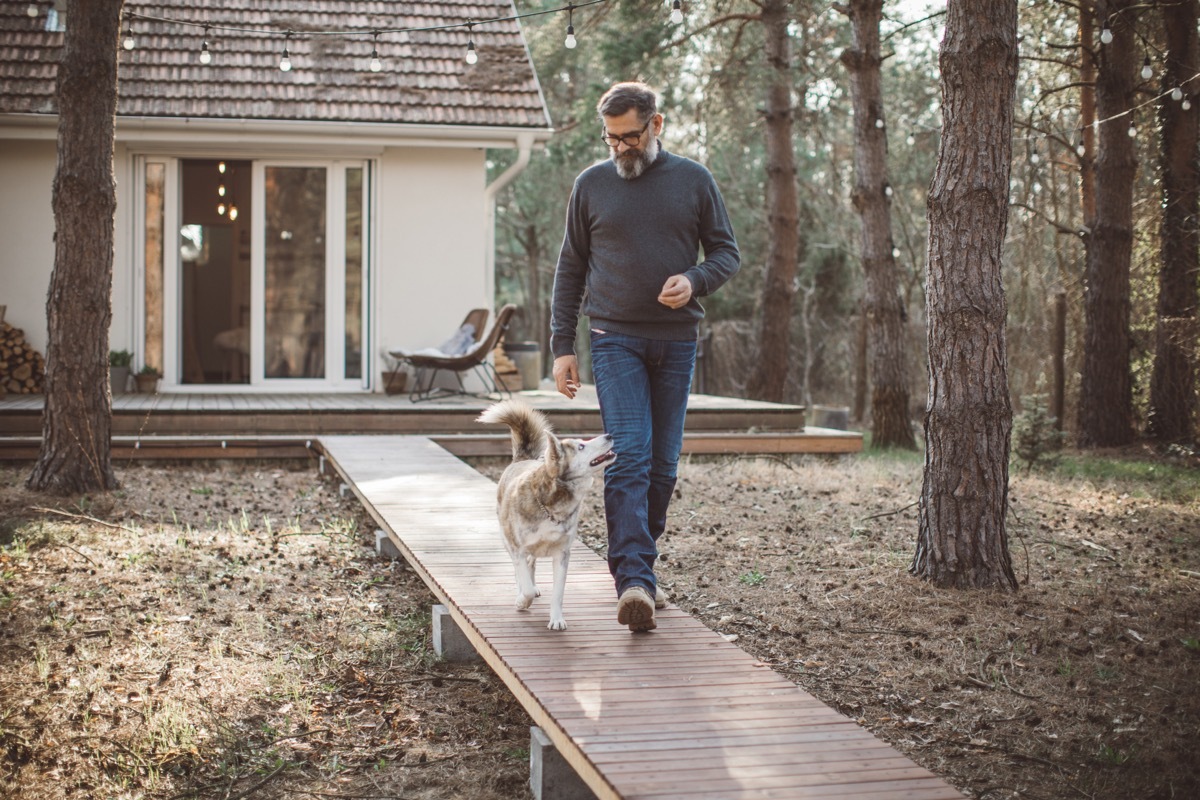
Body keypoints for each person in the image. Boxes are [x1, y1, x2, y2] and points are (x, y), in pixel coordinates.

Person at [550, 81, 740, 632]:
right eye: (611, 139)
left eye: (630, 136)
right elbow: (570, 269)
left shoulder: (693, 180)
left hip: (677, 342)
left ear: (656, 125)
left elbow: (726, 252)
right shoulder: (590, 185)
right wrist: (564, 345)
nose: (620, 148)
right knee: (630, 454)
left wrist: (695, 279)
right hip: (614, 339)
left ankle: (638, 564)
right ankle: (634, 581)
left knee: (661, 466)